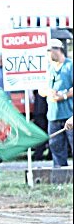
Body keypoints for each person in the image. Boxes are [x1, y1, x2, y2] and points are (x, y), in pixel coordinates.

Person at [38, 39, 73, 167]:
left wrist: (63, 96)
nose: (47, 55)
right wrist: (49, 92)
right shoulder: (48, 68)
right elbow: (40, 90)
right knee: (56, 148)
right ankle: (60, 174)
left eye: (49, 51)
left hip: (70, 115)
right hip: (53, 116)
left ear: (57, 50)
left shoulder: (70, 66)